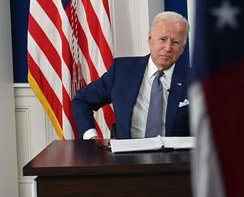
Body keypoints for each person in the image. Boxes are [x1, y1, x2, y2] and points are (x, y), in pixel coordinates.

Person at [72, 11, 191, 139]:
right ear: (150, 39)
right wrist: (91, 138)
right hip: (127, 156)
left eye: (175, 42)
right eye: (162, 39)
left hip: (176, 157)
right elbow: (82, 101)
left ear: (183, 48)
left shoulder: (195, 79)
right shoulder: (122, 71)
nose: (168, 48)